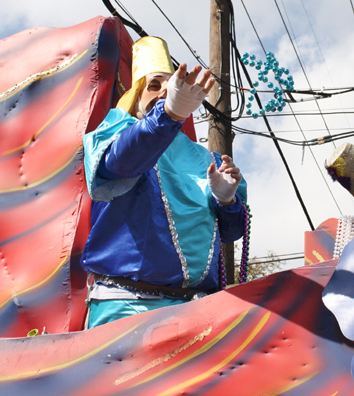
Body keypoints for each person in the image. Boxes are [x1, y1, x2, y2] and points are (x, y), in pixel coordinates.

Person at [81, 36, 247, 328]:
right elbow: (120, 162)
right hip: (126, 310)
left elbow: (231, 234)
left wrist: (227, 201)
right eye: (154, 85)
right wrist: (168, 115)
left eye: (170, 87)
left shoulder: (206, 157)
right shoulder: (116, 130)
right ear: (137, 94)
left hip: (197, 313)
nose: (162, 93)